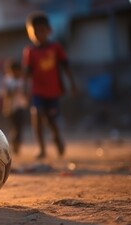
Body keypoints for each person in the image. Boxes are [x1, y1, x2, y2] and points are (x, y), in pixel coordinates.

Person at [22, 12, 78, 160]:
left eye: (42, 30)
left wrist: (72, 84)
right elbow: (27, 72)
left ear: (49, 30)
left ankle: (57, 137)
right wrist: (24, 88)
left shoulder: (56, 48)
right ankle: (41, 149)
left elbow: (66, 66)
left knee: (51, 120)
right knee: (37, 114)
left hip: (53, 91)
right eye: (35, 32)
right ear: (30, 33)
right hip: (37, 90)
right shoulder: (30, 51)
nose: (39, 34)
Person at [0, 60, 28, 155]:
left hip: (20, 106)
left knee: (18, 127)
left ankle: (17, 144)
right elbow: (4, 93)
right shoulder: (7, 80)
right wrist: (12, 91)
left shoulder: (23, 80)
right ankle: (14, 143)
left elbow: (27, 93)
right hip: (10, 107)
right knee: (13, 127)